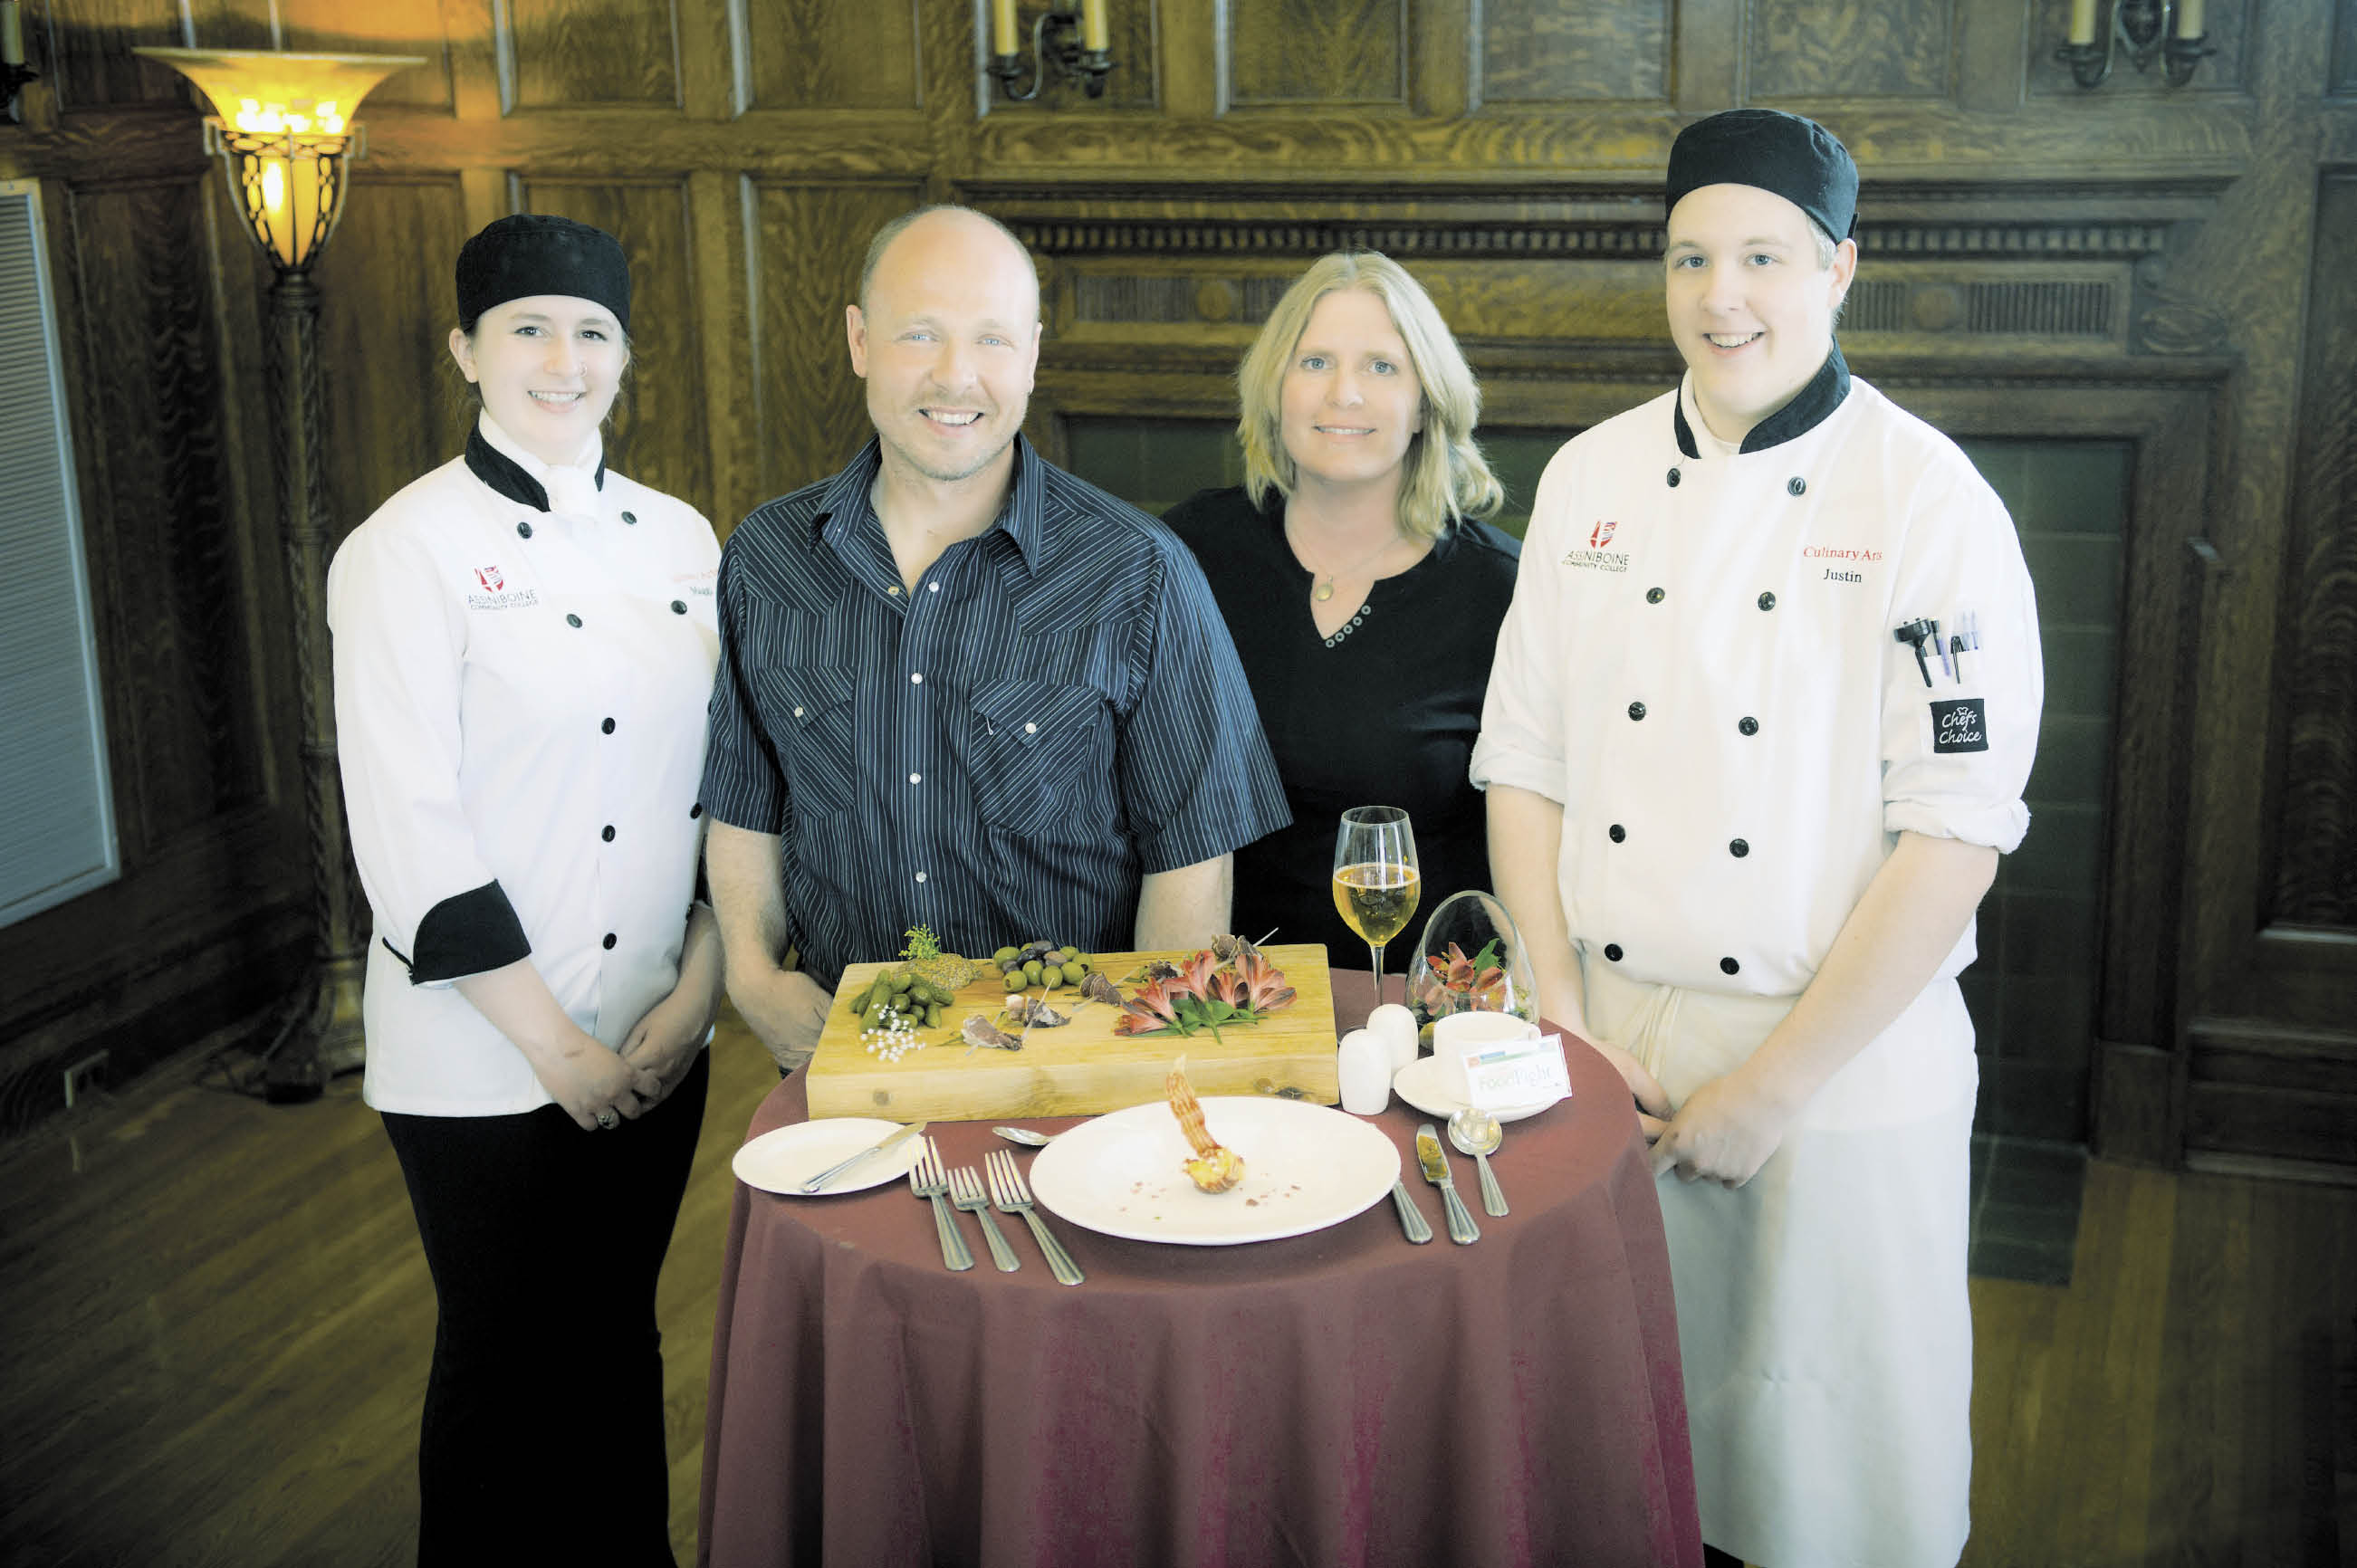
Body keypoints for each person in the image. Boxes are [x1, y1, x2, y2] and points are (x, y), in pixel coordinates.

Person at [1471, 110, 2042, 1568]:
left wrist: (1772, 1088)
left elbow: (1953, 833)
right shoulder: (1587, 478)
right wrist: (1556, 1012)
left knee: (1818, 1500)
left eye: (1762, 258)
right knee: (1602, 1468)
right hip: (1606, 1048)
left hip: (1835, 1070)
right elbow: (1523, 763)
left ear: (1838, 268)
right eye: (1689, 258)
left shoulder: (1926, 500)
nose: (1720, 295)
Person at [327, 213, 723, 1565]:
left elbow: (728, 783)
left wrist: (694, 1000)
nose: (564, 360)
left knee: (616, 1338)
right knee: (503, 1363)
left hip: (657, 1033)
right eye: (528, 330)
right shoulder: (404, 549)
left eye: (592, 332)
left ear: (626, 353)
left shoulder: (681, 539)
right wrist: (558, 1051)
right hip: (484, 1055)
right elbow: (408, 831)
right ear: (465, 351)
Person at [699, 205, 1290, 1071]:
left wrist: (1136, 1073)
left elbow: (1192, 856)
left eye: (991, 339)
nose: (955, 376)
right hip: (849, 1058)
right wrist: (752, 976)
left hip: (1071, 1069)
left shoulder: (1140, 571)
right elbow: (745, 804)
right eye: (920, 335)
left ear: (1032, 355)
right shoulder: (767, 557)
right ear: (860, 341)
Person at [1163, 253, 1518, 971]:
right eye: (1315, 362)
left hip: (1424, 1001)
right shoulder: (1188, 552)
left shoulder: (1503, 590)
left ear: (1426, 402)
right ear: (1275, 388)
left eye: (1381, 367)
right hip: (1224, 996)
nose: (1343, 394)